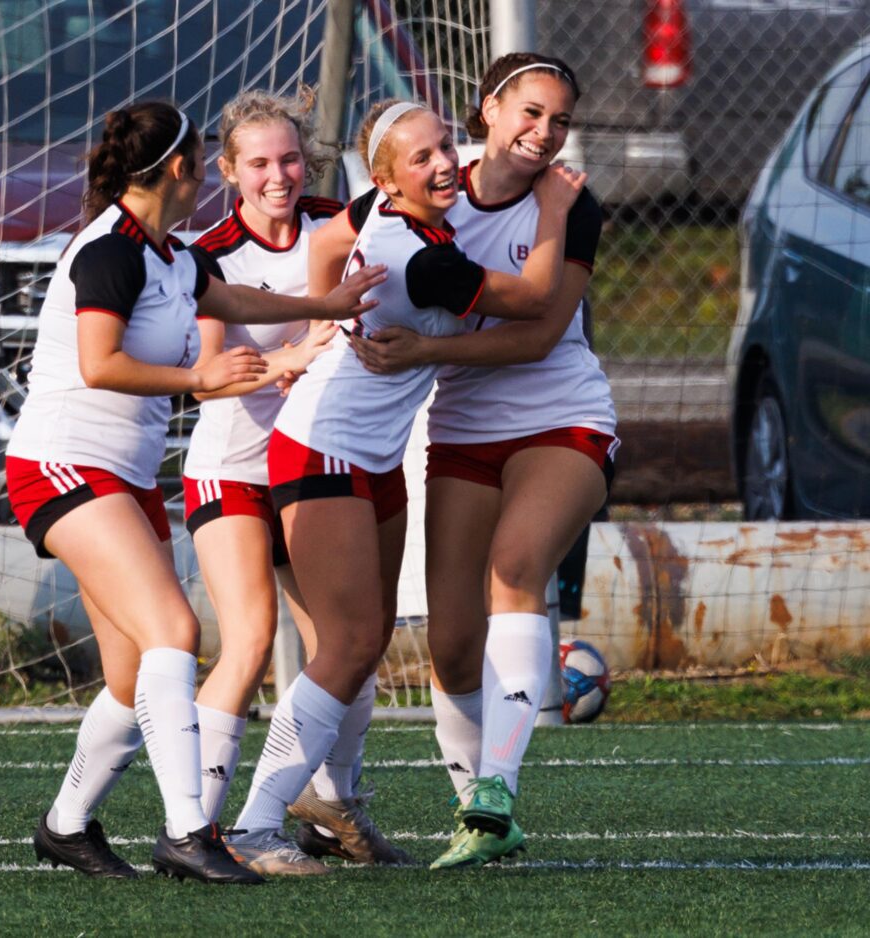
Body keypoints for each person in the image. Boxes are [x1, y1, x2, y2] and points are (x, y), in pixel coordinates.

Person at [6, 100, 385, 884]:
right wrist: (198, 378)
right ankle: (190, 832)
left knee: (127, 675)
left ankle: (66, 825)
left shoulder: (170, 253)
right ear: (183, 170)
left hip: (124, 474)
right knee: (176, 631)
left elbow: (238, 300)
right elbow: (99, 362)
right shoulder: (109, 248)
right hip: (62, 464)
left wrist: (325, 306)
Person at [225, 98, 584, 867]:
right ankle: (253, 825)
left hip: (373, 457)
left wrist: (323, 319)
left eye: (445, 145)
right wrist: (553, 206)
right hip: (323, 448)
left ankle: (334, 809)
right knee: (350, 642)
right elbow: (533, 299)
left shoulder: (405, 221)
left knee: (366, 640)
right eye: (420, 158)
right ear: (388, 180)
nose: (444, 162)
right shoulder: (421, 253)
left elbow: (327, 242)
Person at [348, 54, 615, 869]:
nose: (545, 133)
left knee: (515, 568)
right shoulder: (426, 182)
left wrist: (425, 346)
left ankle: (497, 792)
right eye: (531, 112)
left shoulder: (573, 203)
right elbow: (335, 245)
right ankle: (477, 812)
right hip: (462, 427)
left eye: (560, 120)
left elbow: (538, 331)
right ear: (489, 109)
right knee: (453, 645)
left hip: (561, 415)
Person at [183, 88, 397, 876]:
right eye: (260, 163)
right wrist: (289, 358)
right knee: (247, 640)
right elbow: (205, 380)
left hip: (315, 467)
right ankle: (199, 830)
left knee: (346, 647)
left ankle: (328, 808)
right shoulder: (210, 252)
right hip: (235, 472)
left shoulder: (337, 222)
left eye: (290, 159)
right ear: (229, 171)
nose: (279, 176)